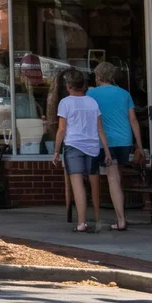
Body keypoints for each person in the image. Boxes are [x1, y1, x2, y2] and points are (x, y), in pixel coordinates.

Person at [53, 68, 110, 233]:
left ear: (69, 85)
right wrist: (106, 151)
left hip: (73, 145)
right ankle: (98, 218)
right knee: (94, 184)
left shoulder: (65, 103)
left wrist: (56, 150)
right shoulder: (92, 102)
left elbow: (62, 130)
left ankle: (82, 222)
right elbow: (100, 130)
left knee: (77, 184)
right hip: (92, 146)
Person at [86, 62, 141, 232]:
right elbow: (133, 120)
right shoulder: (124, 94)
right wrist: (139, 144)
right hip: (124, 140)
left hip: (105, 142)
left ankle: (121, 220)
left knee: (113, 178)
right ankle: (121, 217)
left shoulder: (91, 94)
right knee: (117, 177)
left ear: (98, 76)